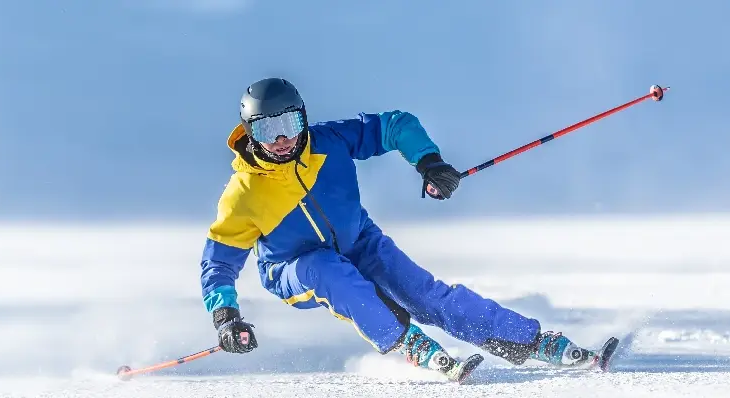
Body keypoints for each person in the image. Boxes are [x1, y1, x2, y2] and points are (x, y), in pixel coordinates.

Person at [200, 77, 615, 381]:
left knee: (425, 294)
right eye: (267, 131)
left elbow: (396, 124)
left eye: (289, 124)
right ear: (251, 134)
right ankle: (404, 341)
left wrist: (428, 162)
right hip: (294, 269)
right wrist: (225, 317)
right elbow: (218, 264)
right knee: (327, 270)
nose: (283, 140)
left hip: (358, 241)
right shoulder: (244, 193)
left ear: (304, 118)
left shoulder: (329, 142)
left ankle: (532, 340)